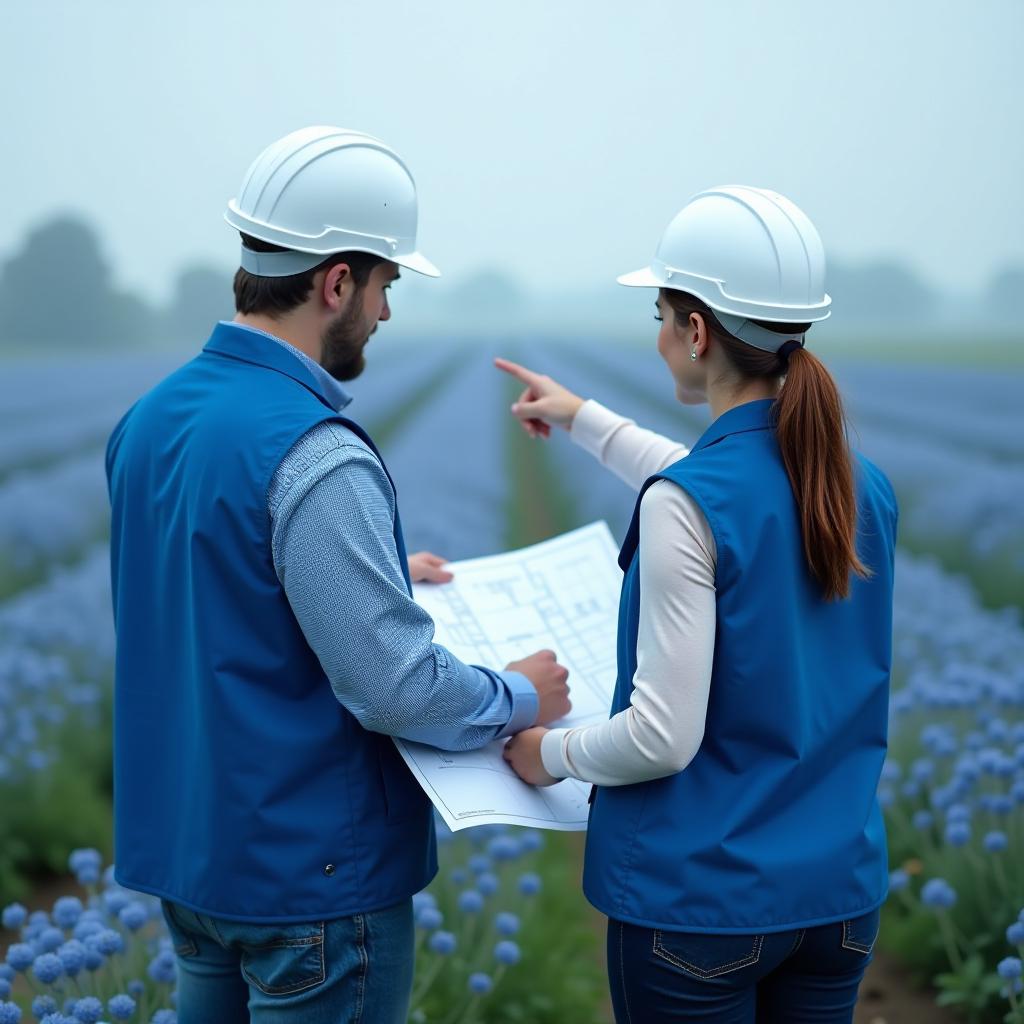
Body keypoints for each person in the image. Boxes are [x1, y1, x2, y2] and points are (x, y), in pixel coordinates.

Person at [105, 126, 570, 1024]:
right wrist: (518, 696)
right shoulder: (316, 455)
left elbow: (211, 581)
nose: (387, 313)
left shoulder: (150, 418)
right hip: (309, 886)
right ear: (336, 283)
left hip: (192, 860)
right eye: (386, 284)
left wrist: (374, 573)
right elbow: (394, 690)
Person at [499, 185, 896, 1023]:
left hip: (701, 910)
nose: (656, 336)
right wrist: (581, 418)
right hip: (837, 901)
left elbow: (659, 737)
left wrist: (549, 753)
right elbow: (713, 487)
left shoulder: (690, 503)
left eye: (660, 312)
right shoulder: (860, 484)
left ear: (696, 332)